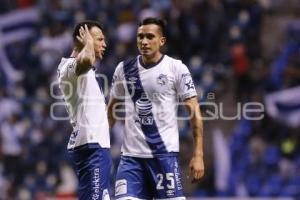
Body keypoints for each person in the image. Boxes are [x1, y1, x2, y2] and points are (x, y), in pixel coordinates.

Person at [108, 17, 205, 200]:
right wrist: (100, 148)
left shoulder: (176, 68)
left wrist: (198, 154)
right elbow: (111, 112)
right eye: (140, 37)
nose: (144, 41)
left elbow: (195, 114)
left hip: (163, 157)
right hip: (131, 159)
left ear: (162, 41)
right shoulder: (124, 69)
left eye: (150, 36)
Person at [57, 21, 111, 200]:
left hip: (98, 146)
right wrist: (87, 43)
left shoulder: (87, 73)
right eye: (99, 39)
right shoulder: (68, 68)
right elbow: (86, 60)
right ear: (83, 38)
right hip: (91, 147)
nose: (105, 44)